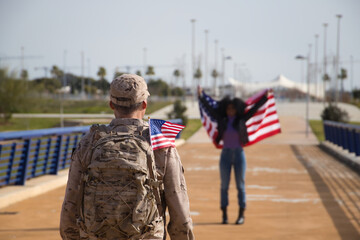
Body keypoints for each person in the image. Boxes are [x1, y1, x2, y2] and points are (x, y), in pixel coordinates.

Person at [60, 74, 194, 240]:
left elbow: (70, 205)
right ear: (144, 104)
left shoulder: (89, 142)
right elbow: (180, 211)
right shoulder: (159, 143)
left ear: (111, 104)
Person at [197, 86, 268, 225]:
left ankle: (241, 215)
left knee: (240, 186)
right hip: (225, 155)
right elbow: (209, 109)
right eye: (228, 109)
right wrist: (200, 96)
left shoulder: (241, 120)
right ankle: (224, 215)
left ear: (237, 109)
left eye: (233, 109)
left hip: (239, 154)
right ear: (225, 109)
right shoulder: (222, 119)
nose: (230, 111)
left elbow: (254, 110)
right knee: (224, 186)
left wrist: (265, 97)